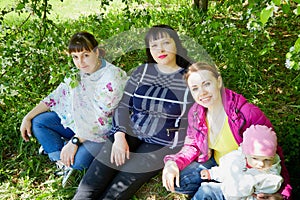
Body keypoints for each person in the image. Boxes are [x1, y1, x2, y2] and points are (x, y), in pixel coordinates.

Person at [73, 24, 194, 199]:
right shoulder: (142, 72)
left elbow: (198, 118)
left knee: (115, 193)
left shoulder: (190, 77)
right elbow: (123, 106)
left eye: (166, 43)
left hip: (160, 144)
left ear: (177, 44)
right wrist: (119, 137)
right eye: (154, 45)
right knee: (89, 187)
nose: (160, 49)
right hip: (131, 132)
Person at [162, 62, 292, 199]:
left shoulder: (246, 113)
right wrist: (173, 162)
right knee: (179, 182)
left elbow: (274, 154)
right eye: (195, 88)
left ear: (218, 82)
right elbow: (192, 144)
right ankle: (221, 183)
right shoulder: (196, 113)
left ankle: (226, 190)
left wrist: (283, 194)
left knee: (206, 193)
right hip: (218, 164)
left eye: (207, 84)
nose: (202, 92)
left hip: (246, 171)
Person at [20, 31, 127, 187]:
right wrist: (27, 117)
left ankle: (65, 154)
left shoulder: (112, 78)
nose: (81, 62)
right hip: (78, 123)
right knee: (38, 122)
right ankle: (61, 161)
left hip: (102, 132)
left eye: (85, 55)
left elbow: (101, 121)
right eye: (75, 57)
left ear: (96, 52)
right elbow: (55, 96)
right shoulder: (77, 73)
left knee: (78, 161)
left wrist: (74, 142)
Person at [199, 124, 283, 200]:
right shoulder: (237, 158)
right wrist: (212, 173)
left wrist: (251, 181)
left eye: (267, 159)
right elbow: (226, 170)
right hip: (225, 191)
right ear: (246, 153)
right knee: (206, 190)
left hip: (242, 197)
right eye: (255, 158)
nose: (261, 164)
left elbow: (256, 193)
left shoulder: (270, 176)